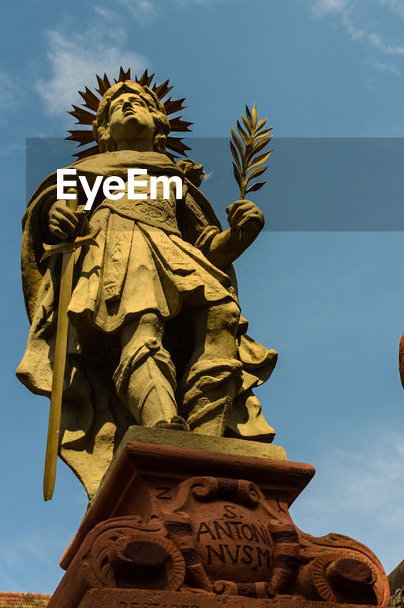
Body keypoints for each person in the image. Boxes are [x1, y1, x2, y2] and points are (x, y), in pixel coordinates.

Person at [17, 77, 275, 499]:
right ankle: (161, 425)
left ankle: (208, 437)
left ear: (159, 123)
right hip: (117, 248)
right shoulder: (86, 172)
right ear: (101, 132)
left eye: (139, 101)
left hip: (176, 253)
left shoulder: (175, 179)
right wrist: (61, 217)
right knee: (142, 321)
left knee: (222, 318)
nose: (129, 106)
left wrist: (241, 234)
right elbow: (58, 208)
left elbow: (209, 244)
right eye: (117, 105)